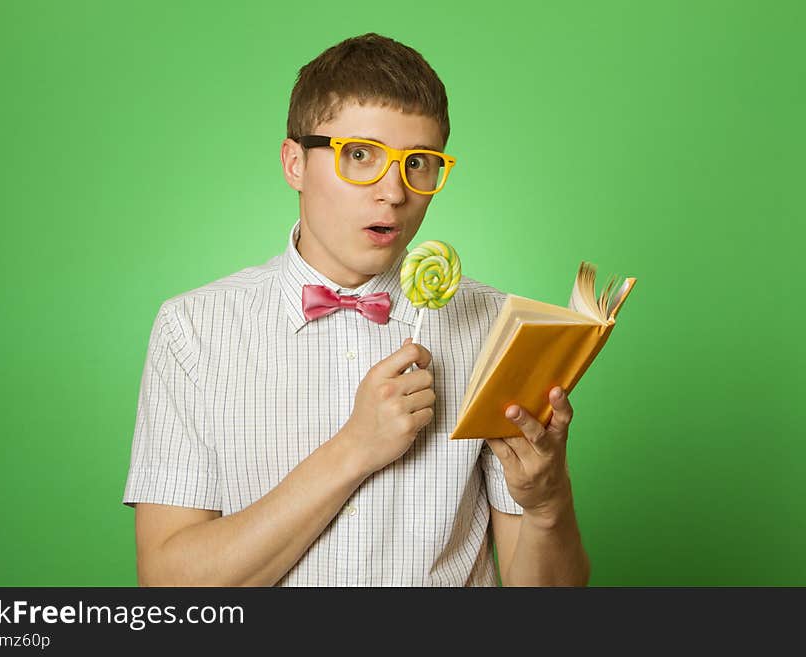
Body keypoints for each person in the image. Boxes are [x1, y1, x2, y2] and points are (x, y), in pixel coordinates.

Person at [122, 32, 590, 586]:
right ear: (294, 163)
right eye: (360, 155)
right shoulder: (193, 330)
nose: (394, 191)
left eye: (419, 162)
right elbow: (169, 588)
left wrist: (546, 503)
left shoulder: (495, 329)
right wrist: (354, 448)